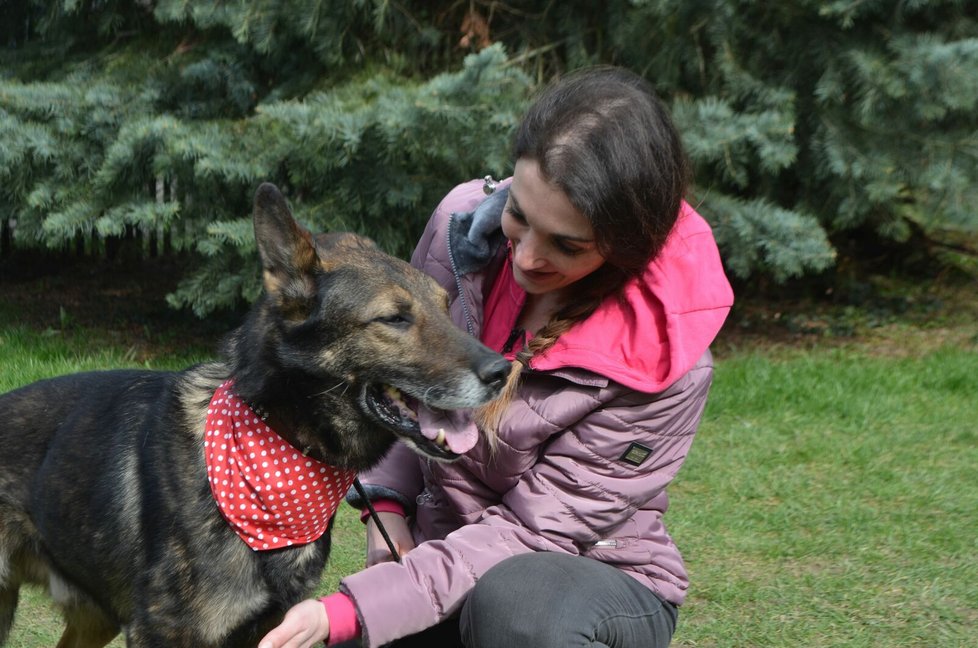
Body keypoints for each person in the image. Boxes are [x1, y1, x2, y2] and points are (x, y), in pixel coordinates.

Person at [258, 65, 733, 648]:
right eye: (520, 217)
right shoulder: (463, 228)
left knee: (517, 609)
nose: (527, 258)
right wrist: (386, 504)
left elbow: (530, 534)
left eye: (567, 244)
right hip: (445, 564)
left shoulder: (664, 359)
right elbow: (399, 380)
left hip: (582, 584)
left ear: (628, 242)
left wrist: (354, 609)